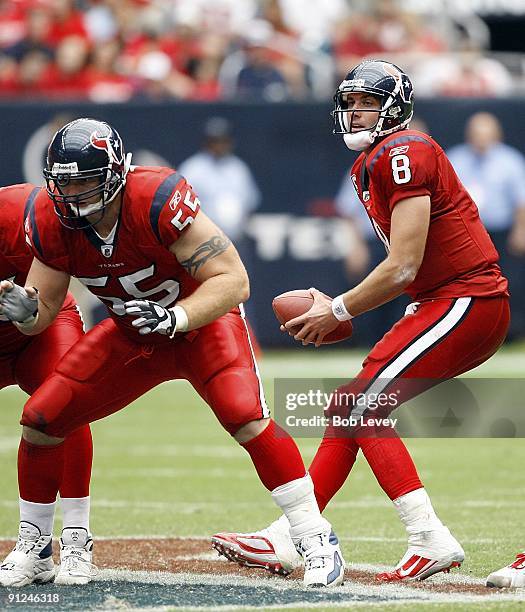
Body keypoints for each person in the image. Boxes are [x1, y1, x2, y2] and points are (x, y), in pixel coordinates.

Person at [0, 118, 345, 589]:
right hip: (133, 332)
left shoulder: (155, 198)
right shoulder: (49, 218)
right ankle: (36, 547)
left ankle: (313, 536)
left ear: (115, 173)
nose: (73, 194)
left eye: (84, 181)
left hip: (199, 325)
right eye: (64, 183)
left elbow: (233, 280)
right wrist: (24, 311)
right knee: (42, 420)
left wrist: (177, 318)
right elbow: (41, 315)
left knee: (244, 414)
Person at [212, 60, 509, 582]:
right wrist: (343, 304)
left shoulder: (404, 151)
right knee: (348, 405)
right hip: (441, 300)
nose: (353, 112)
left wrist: (339, 307)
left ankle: (427, 535)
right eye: (348, 102)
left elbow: (404, 264)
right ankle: (293, 533)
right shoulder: (370, 162)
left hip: (467, 298)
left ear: (394, 106)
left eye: (365, 103)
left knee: (361, 405)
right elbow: (408, 269)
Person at [0, 183, 94, 587]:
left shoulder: (21, 212)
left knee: (62, 408)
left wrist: (30, 306)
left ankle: (73, 538)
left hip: (41, 329)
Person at [447, 112, 525, 340]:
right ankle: (470, 331)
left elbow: (520, 199)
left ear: (496, 134)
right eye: (476, 132)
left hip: (501, 230)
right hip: (467, 232)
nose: (480, 138)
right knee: (467, 283)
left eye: (485, 132)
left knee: (508, 281)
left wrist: (520, 230)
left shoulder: (510, 161)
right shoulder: (456, 158)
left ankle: (510, 332)